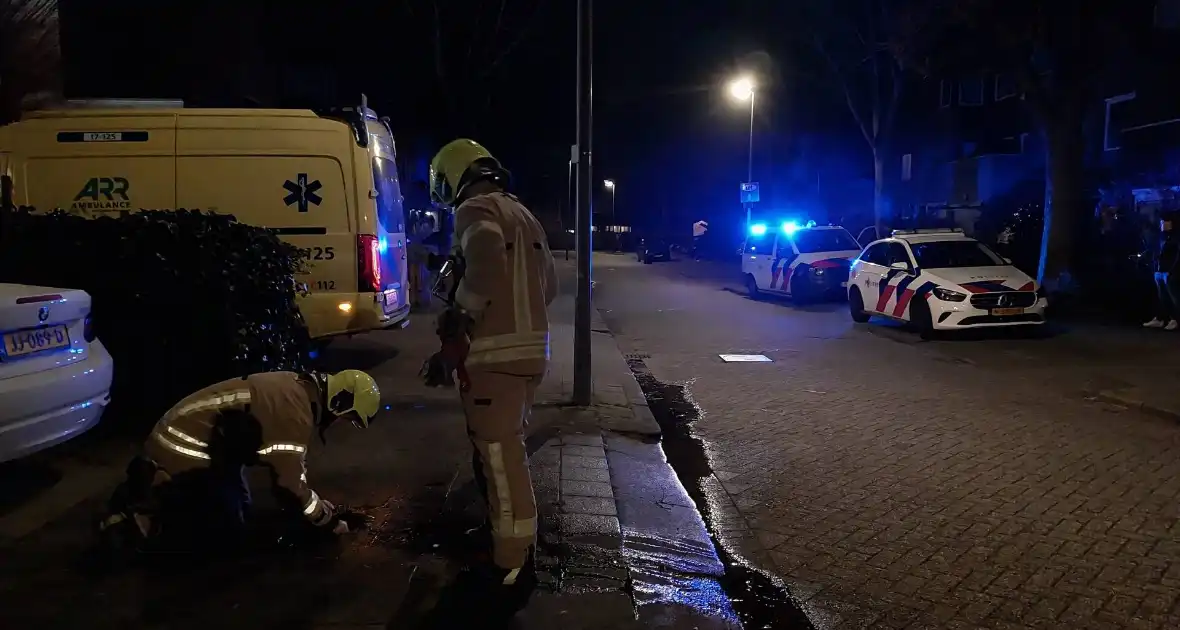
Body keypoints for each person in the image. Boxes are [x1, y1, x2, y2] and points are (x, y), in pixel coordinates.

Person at [426, 138, 558, 611]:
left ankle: (511, 563)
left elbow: (483, 260)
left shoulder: (476, 211)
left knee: (502, 463)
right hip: (529, 357)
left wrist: (461, 316)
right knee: (506, 454)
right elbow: (550, 287)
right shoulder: (525, 216)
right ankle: (506, 539)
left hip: (493, 360)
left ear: (455, 175)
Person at [97, 369, 381, 553]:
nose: (344, 424)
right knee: (223, 535)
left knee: (240, 509)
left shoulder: (298, 390)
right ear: (339, 403)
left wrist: (310, 504)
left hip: (201, 441)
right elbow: (290, 484)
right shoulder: (295, 414)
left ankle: (160, 491)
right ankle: (142, 513)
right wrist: (326, 520)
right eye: (349, 418)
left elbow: (288, 472)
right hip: (185, 447)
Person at [1144, 212, 1180, 330]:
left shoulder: (1175, 237)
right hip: (1161, 270)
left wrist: (1172, 270)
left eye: (1165, 222)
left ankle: (1175, 319)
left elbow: (1177, 255)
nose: (1162, 224)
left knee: (1174, 297)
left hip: (1169, 272)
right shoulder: (1163, 237)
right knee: (1162, 297)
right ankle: (1161, 318)